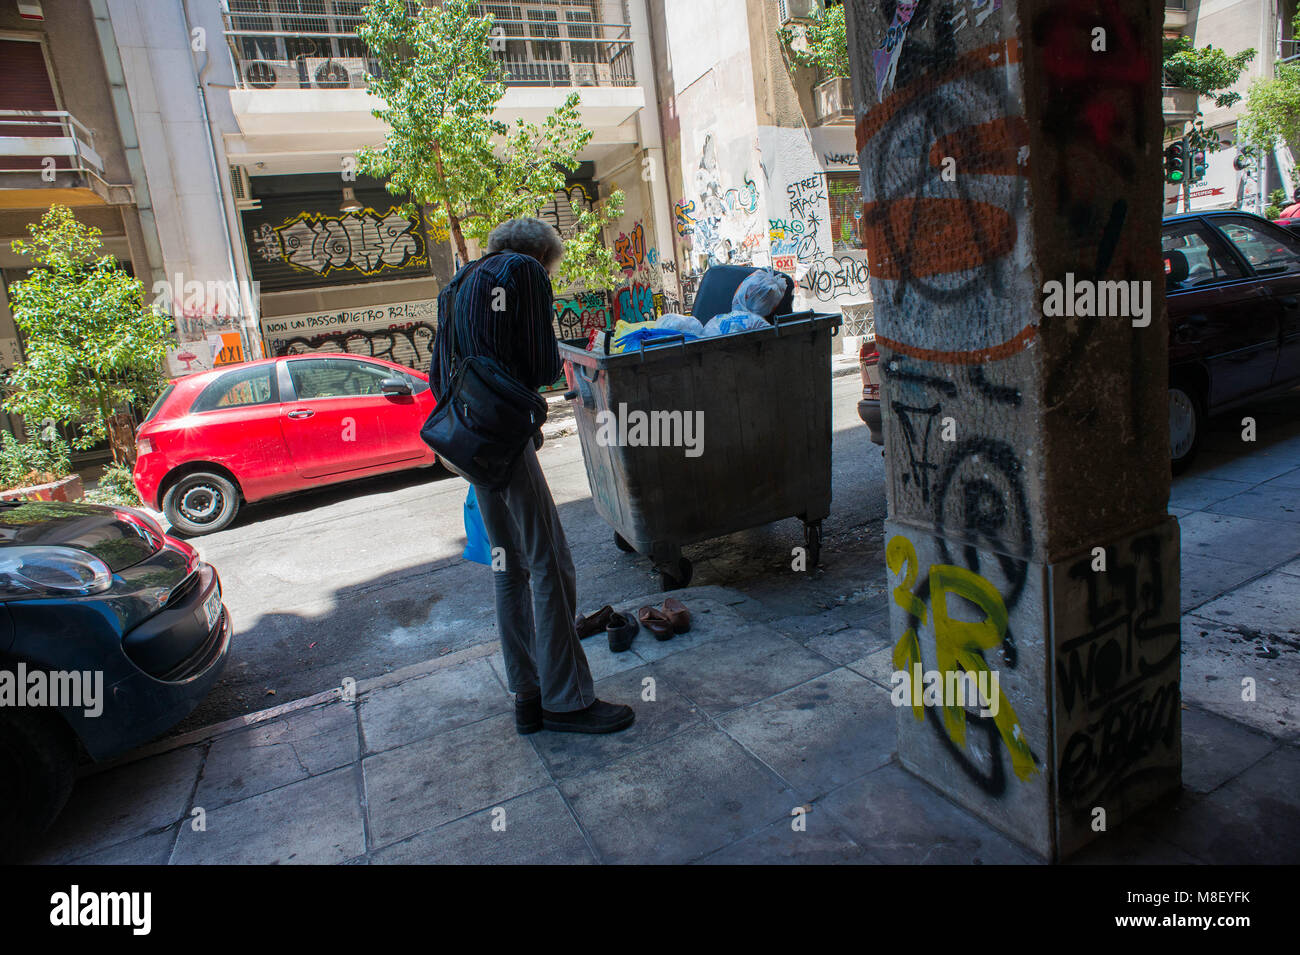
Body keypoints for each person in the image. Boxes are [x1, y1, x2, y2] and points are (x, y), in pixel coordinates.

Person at [429, 218, 634, 736]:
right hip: (503, 433)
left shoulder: (459, 281)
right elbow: (544, 364)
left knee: (509, 567)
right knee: (551, 563)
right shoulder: (524, 269)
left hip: (468, 437)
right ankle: (566, 701)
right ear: (544, 253)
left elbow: (437, 373)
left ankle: (527, 695)